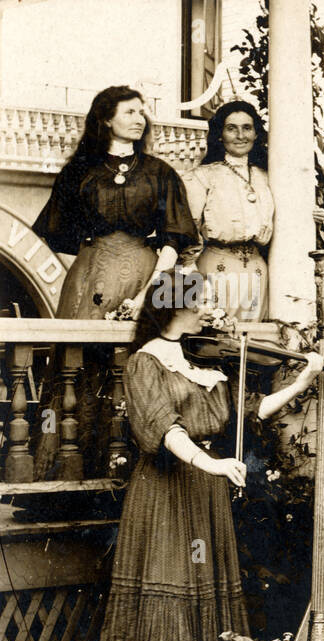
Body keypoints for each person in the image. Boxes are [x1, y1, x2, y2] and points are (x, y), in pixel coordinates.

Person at [99, 269, 323, 641]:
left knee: (205, 583)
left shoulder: (205, 360)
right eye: (202, 300)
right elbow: (165, 430)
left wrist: (303, 379)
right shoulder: (145, 362)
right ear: (176, 305)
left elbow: (249, 413)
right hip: (167, 490)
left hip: (206, 488)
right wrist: (212, 463)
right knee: (172, 579)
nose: (210, 309)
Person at [31, 85, 198, 479]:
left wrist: (149, 293)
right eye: (130, 112)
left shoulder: (161, 173)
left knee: (134, 367)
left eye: (143, 112)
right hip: (89, 280)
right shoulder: (80, 171)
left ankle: (126, 472)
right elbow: (57, 234)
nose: (140, 119)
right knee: (79, 367)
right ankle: (67, 471)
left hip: (146, 277)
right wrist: (89, 272)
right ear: (106, 118)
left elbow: (174, 240)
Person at [181, 100, 273, 321]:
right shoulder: (203, 176)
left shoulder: (266, 176)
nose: (240, 135)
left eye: (247, 128)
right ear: (220, 135)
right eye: (232, 128)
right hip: (216, 269)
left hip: (257, 271)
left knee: (253, 345)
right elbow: (188, 225)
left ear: (256, 133)